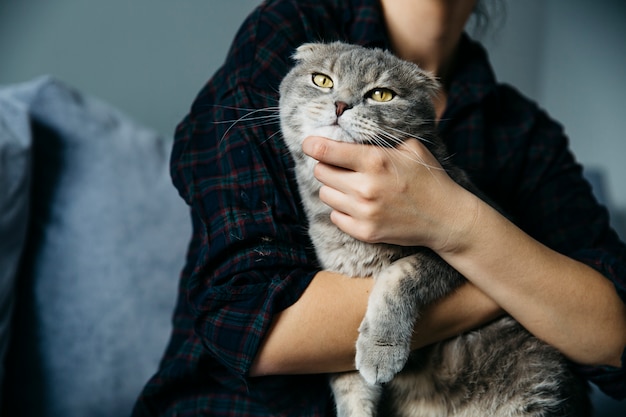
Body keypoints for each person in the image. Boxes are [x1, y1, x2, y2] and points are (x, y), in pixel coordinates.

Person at [133, 0, 626, 415]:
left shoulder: (521, 129)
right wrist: (521, 276)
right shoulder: (290, 31)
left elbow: (612, 333)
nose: (341, 103)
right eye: (327, 86)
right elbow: (249, 324)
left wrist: (462, 226)